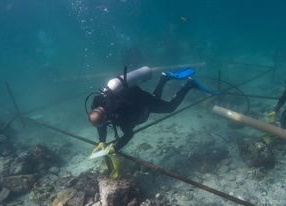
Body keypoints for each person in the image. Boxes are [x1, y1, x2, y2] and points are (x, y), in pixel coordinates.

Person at [88, 66, 217, 178]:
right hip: (139, 98)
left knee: (170, 108)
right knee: (154, 98)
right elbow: (101, 124)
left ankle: (189, 85)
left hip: (142, 102)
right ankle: (164, 78)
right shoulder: (99, 101)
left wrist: (116, 148)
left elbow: (129, 134)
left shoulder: (117, 114)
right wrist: (102, 141)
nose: (102, 125)